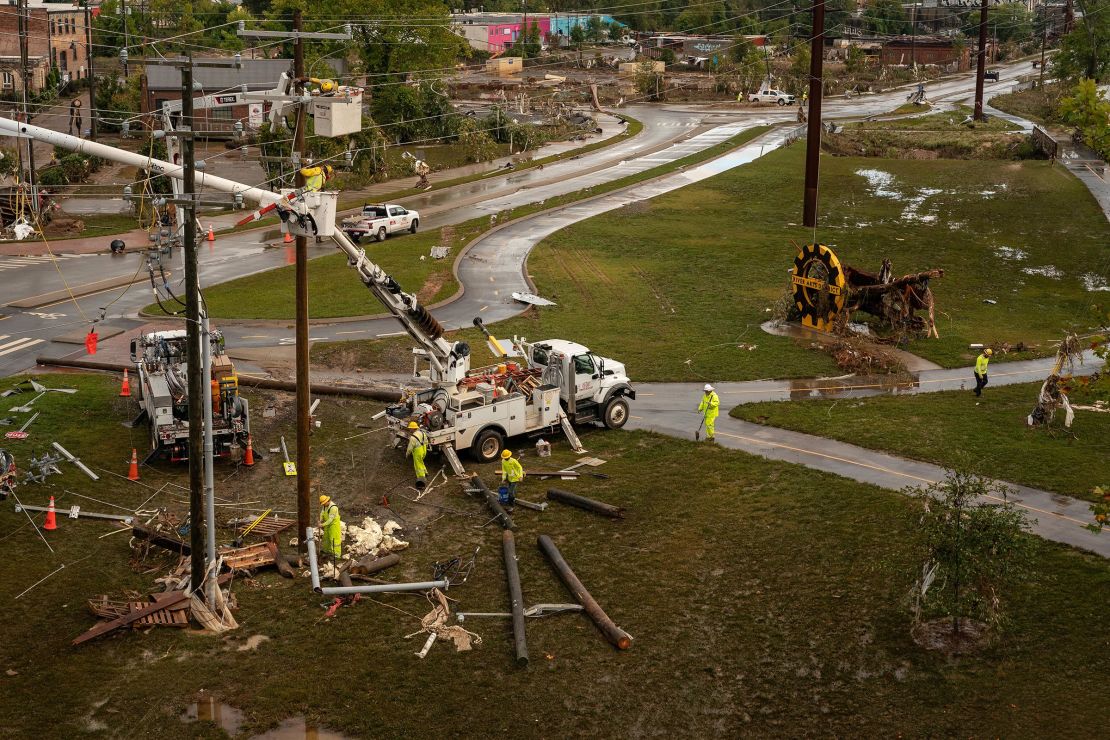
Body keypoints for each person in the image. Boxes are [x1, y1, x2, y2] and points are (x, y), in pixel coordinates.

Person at [317, 494, 342, 564]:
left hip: (334, 526)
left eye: (324, 504)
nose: (323, 505)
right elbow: (322, 513)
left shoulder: (333, 508)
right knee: (326, 538)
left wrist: (322, 524)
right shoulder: (325, 506)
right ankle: (327, 551)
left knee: (334, 540)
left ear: (327, 501)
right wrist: (320, 519)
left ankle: (336, 555)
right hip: (327, 525)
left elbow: (330, 520)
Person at [405, 421, 429, 488]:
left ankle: (422, 479)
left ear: (413, 428)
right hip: (424, 450)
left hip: (417, 452)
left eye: (410, 428)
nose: (409, 430)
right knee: (421, 461)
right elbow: (426, 441)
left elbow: (410, 448)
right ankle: (425, 472)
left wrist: (407, 454)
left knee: (418, 466)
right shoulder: (422, 432)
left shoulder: (413, 438)